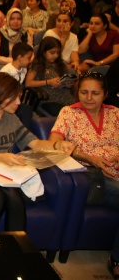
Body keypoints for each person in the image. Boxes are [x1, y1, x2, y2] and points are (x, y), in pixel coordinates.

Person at [0, 72, 74, 233]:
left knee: (16, 200)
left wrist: (57, 145)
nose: (18, 102)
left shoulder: (12, 119)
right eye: (13, 98)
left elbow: (35, 143)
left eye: (19, 97)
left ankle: (16, 245)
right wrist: (2, 157)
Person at [45, 71, 119, 278]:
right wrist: (87, 157)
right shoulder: (69, 113)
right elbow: (53, 144)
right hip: (91, 177)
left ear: (105, 94)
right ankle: (117, 259)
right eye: (84, 92)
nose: (89, 98)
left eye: (95, 93)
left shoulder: (115, 113)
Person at [25, 36, 75, 116]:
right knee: (65, 115)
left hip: (64, 96)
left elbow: (64, 78)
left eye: (58, 53)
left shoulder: (60, 64)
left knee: (77, 114)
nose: (56, 56)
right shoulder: (37, 65)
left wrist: (68, 84)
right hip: (48, 99)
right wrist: (48, 82)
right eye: (52, 53)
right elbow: (28, 83)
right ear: (44, 52)